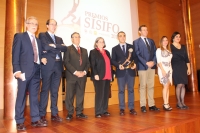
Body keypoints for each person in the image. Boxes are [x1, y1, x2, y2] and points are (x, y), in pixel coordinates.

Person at [12, 16, 47, 131]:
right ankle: (19, 121)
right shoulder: (20, 36)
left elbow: (38, 55)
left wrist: (42, 59)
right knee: (21, 96)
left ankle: (35, 119)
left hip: (37, 71)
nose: (34, 25)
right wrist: (17, 71)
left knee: (34, 96)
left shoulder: (38, 41)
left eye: (36, 24)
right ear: (26, 24)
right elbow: (15, 54)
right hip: (23, 72)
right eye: (31, 23)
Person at [39, 19, 67, 122]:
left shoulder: (59, 38)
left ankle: (54, 114)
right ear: (47, 25)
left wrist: (54, 46)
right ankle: (42, 114)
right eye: (52, 24)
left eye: (55, 25)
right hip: (47, 66)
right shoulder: (42, 35)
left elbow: (65, 49)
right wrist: (58, 47)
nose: (54, 26)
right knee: (45, 90)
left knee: (55, 91)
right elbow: (45, 46)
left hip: (58, 66)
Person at [63, 32, 90, 120]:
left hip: (82, 76)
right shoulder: (68, 49)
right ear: (72, 39)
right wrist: (75, 72)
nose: (77, 38)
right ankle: (70, 113)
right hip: (71, 76)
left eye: (78, 37)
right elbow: (66, 62)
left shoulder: (85, 50)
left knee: (80, 95)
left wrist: (84, 72)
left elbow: (87, 63)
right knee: (69, 95)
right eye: (75, 37)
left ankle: (79, 112)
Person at [133, 25, 160, 113]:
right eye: (144, 30)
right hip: (142, 66)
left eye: (146, 30)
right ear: (139, 32)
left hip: (152, 66)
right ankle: (143, 105)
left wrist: (153, 62)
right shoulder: (136, 42)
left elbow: (155, 53)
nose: (146, 31)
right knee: (143, 86)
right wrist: (146, 62)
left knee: (151, 86)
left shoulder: (151, 41)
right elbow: (137, 54)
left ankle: (151, 105)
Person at [111, 31, 137, 116]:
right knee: (121, 91)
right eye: (120, 36)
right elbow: (113, 60)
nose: (122, 37)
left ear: (125, 37)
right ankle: (122, 108)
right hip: (120, 72)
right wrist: (118, 65)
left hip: (130, 71)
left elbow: (135, 57)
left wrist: (134, 64)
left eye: (124, 36)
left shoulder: (131, 46)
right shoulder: (115, 48)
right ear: (118, 38)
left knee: (131, 90)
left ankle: (131, 108)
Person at [89, 37, 112, 118]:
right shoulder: (93, 52)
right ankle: (98, 111)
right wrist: (95, 74)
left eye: (103, 42)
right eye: (100, 42)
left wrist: (112, 73)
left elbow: (110, 64)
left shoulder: (107, 52)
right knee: (99, 94)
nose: (101, 43)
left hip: (107, 76)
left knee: (106, 94)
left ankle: (104, 110)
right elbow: (92, 64)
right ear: (96, 43)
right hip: (99, 76)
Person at [170, 31, 191, 109]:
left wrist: (188, 68)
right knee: (179, 84)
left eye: (179, 37)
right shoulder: (170, 46)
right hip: (175, 66)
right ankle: (179, 102)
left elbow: (186, 58)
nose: (178, 38)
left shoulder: (183, 46)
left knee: (183, 85)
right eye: (176, 37)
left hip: (183, 66)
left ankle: (183, 102)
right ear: (173, 38)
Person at [156, 36, 173, 111]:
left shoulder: (169, 50)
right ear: (161, 42)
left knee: (167, 86)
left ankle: (167, 102)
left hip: (169, 69)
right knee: (165, 86)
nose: (165, 42)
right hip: (163, 69)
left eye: (166, 40)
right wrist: (162, 70)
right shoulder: (159, 50)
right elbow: (159, 61)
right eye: (164, 40)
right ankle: (165, 103)